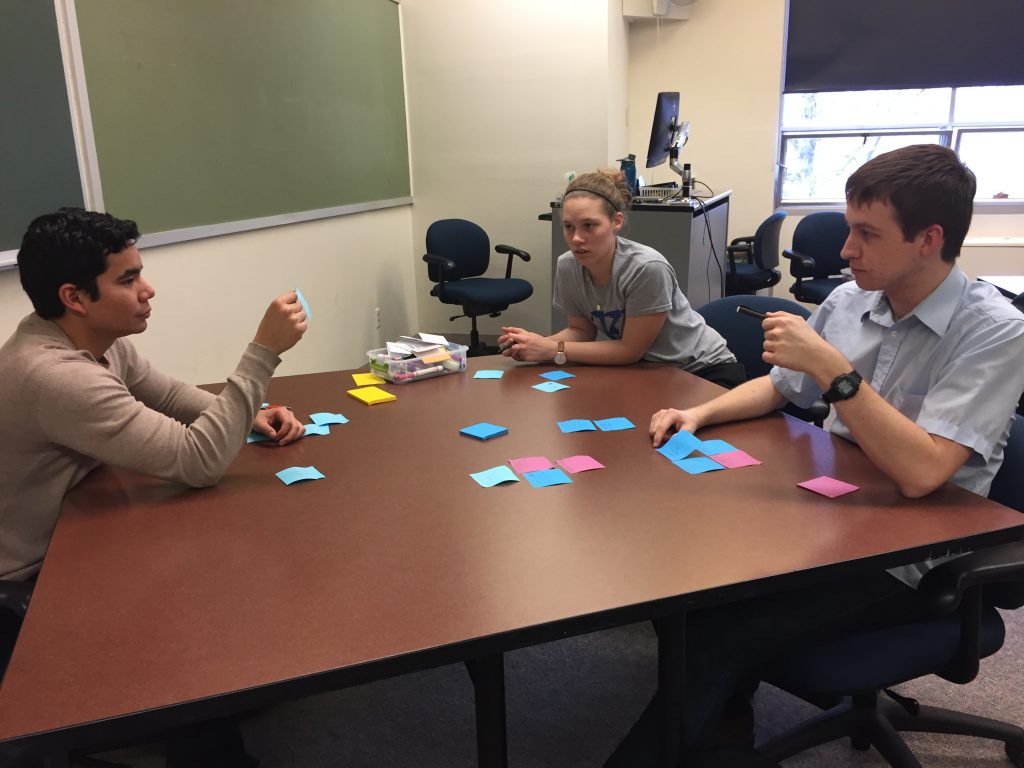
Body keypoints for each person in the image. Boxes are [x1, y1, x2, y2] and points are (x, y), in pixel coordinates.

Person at [607, 145, 1024, 765]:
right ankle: (724, 727)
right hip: (829, 517)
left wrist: (835, 370)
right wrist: (701, 413)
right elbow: (781, 386)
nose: (846, 250)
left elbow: (923, 474)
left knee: (719, 629)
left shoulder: (994, 330)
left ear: (928, 239)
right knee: (685, 572)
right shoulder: (851, 300)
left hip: (910, 557)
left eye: (867, 234)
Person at [0, 207, 307, 767]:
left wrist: (249, 412)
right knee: (192, 606)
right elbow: (198, 461)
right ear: (75, 297)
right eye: (128, 279)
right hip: (31, 579)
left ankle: (219, 701)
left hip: (82, 524)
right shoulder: (55, 375)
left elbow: (168, 396)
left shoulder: (93, 340)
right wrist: (263, 352)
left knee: (214, 554)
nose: (148, 290)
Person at [498, 170, 745, 388]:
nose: (576, 239)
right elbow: (581, 330)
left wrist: (552, 349)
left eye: (589, 226)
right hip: (649, 371)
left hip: (702, 371)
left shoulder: (646, 268)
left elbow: (629, 350)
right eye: (569, 227)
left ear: (616, 222)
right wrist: (533, 345)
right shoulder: (568, 266)